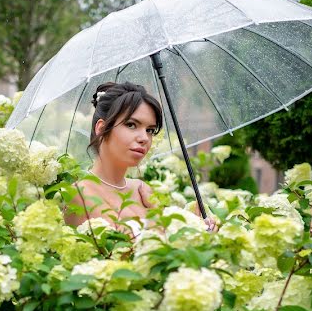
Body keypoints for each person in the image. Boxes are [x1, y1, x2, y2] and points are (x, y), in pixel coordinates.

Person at [64, 81, 217, 233]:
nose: (144, 138)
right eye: (131, 125)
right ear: (102, 128)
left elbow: (165, 246)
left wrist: (194, 231)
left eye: (150, 130)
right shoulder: (79, 195)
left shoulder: (142, 189)